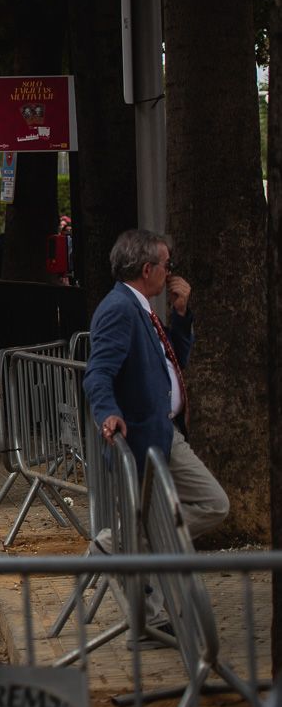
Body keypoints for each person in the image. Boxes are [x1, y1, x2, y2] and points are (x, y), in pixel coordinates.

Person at [81, 229, 227, 536]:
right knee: (212, 503)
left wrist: (181, 313)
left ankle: (124, 548)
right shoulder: (121, 308)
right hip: (144, 433)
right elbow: (98, 371)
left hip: (162, 430)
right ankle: (113, 547)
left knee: (198, 506)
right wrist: (108, 412)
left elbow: (173, 360)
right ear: (148, 269)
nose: (170, 272)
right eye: (167, 265)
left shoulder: (138, 305)